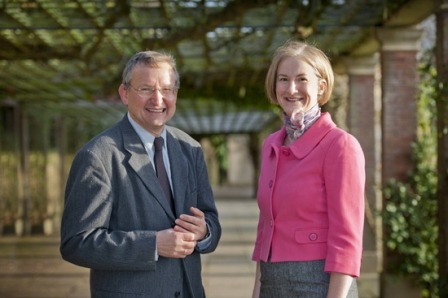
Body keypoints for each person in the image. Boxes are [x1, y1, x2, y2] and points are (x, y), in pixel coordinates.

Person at [60, 50, 221, 298]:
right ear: (124, 94)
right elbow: (77, 243)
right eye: (146, 89)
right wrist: (153, 245)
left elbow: (210, 219)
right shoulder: (97, 156)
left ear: (175, 94)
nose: (158, 99)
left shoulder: (190, 149)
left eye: (167, 89)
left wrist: (204, 232)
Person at [251, 40, 365, 298]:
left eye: (302, 79)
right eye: (283, 79)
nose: (291, 89)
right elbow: (265, 228)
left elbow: (347, 237)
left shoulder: (340, 145)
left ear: (321, 86)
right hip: (271, 283)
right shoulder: (271, 144)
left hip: (320, 285)